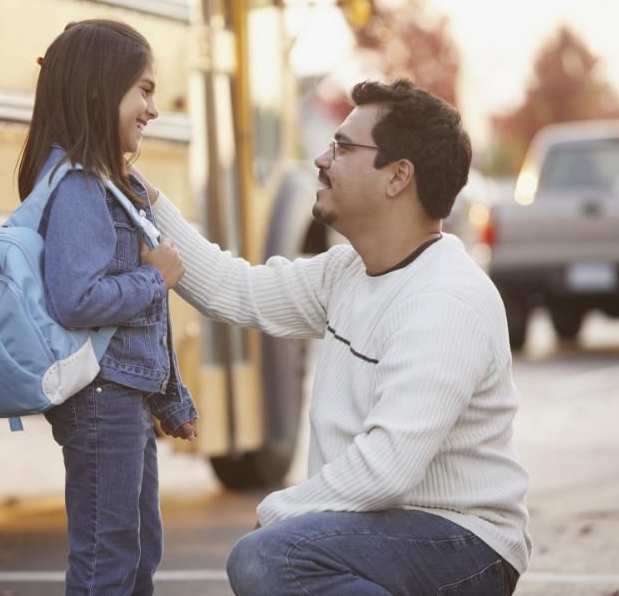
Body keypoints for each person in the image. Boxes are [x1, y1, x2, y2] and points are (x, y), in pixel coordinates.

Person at [138, 79, 531, 595]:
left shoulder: (445, 300)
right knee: (276, 556)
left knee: (272, 559)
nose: (322, 159)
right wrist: (139, 193)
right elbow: (233, 289)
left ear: (398, 176)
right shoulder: (348, 271)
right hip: (379, 526)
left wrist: (282, 510)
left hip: (463, 543)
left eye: (343, 147)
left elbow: (387, 466)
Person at [17, 19, 199, 595]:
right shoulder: (76, 185)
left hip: (122, 394)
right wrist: (152, 278)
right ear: (100, 90)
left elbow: (144, 326)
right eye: (143, 90)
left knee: (138, 548)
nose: (152, 108)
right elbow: (77, 298)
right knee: (108, 563)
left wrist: (171, 398)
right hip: (101, 400)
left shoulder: (113, 182)